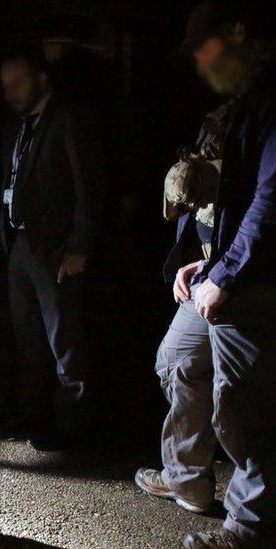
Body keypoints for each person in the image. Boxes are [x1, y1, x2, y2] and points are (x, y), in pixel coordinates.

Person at [135, 3, 276, 548]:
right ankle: (186, 479)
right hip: (225, 269)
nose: (198, 59)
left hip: (257, 281)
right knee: (176, 359)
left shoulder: (270, 99)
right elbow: (224, 201)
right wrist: (204, 258)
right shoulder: (235, 105)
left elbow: (270, 200)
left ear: (238, 31)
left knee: (243, 407)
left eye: (204, 46)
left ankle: (249, 528)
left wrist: (229, 273)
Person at [0, 48, 102, 450]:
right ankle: (33, 414)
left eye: (17, 82)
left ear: (41, 79)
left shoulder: (68, 118)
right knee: (28, 336)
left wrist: (78, 247)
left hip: (54, 246)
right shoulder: (19, 126)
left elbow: (88, 187)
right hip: (21, 241)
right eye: (5, 85)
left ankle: (73, 422)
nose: (10, 92)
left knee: (64, 339)